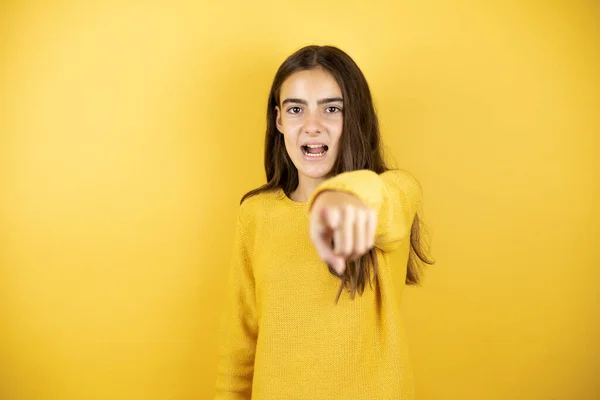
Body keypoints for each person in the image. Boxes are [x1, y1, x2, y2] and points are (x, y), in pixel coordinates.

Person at [214, 44, 434, 400]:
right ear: (279, 120)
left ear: (355, 118)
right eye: (296, 109)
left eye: (331, 109)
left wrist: (340, 197)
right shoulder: (256, 214)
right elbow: (240, 346)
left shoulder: (394, 192)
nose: (312, 126)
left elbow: (380, 199)